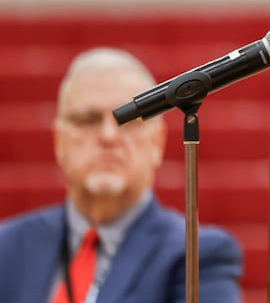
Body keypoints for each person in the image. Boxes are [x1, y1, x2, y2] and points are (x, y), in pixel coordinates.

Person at [0, 47, 243, 302]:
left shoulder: (197, 256)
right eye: (87, 119)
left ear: (157, 143)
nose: (108, 136)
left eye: (129, 119)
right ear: (59, 142)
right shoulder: (7, 248)